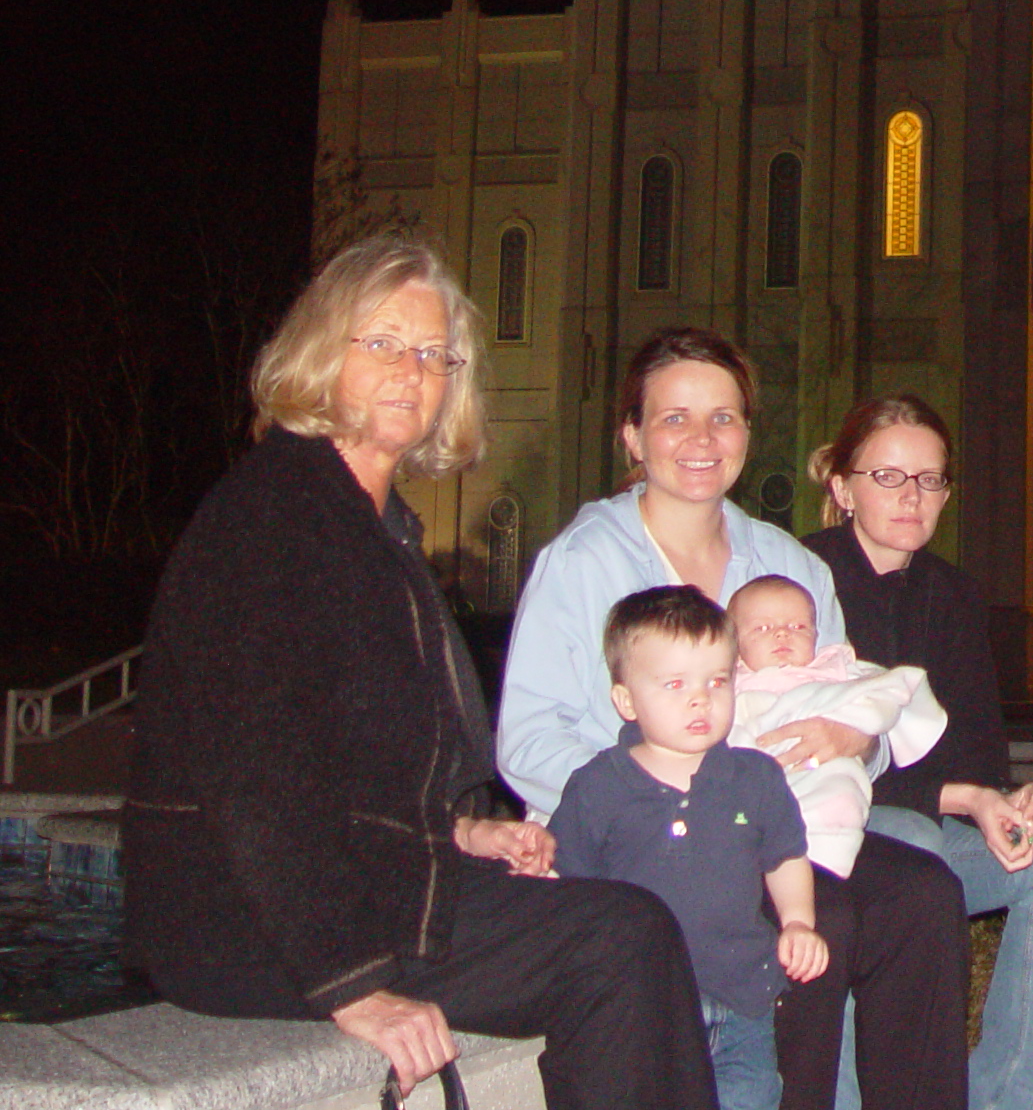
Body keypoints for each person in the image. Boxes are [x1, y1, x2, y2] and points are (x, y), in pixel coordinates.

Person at [124, 234, 717, 1109]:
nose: (414, 371)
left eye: (435, 354)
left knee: (625, 920)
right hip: (247, 925)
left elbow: (359, 758)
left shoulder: (366, 523)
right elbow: (257, 771)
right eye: (384, 344)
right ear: (322, 351)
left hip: (364, 886)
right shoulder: (274, 517)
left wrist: (458, 833)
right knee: (617, 942)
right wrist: (352, 984)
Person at [496, 327, 966, 1110]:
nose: (702, 439)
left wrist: (858, 735)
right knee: (829, 914)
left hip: (778, 822)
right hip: (642, 839)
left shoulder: (790, 568)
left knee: (922, 898)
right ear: (632, 437)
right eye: (674, 418)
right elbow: (528, 740)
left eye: (724, 417)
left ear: (749, 431)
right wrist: (671, 782)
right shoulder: (585, 562)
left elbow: (852, 708)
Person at [803, 396, 1033, 1110]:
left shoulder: (954, 595)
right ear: (843, 489)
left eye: (929, 480)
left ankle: (1013, 1099)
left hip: (933, 827)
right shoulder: (802, 585)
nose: (912, 497)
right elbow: (813, 756)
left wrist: (1006, 798)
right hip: (822, 832)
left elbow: (976, 750)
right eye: (889, 477)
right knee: (900, 846)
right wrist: (960, 797)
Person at [553, 588, 828, 1110]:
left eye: (716, 681)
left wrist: (798, 920)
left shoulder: (754, 777)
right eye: (675, 684)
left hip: (743, 995)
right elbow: (573, 888)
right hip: (641, 1003)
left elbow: (785, 854)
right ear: (627, 700)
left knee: (750, 1096)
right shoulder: (599, 787)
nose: (700, 699)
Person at [729, 575, 949, 878]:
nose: (782, 635)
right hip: (762, 771)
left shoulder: (832, 669)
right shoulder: (733, 680)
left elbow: (882, 690)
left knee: (840, 791)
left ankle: (825, 855)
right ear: (735, 644)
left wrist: (865, 715)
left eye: (797, 627)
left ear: (817, 635)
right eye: (763, 628)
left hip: (823, 768)